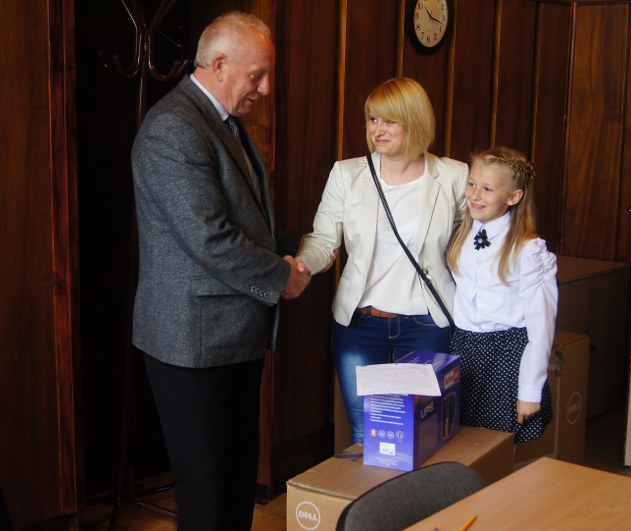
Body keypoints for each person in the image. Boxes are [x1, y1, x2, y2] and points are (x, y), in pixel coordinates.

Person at [130, 11, 310, 530]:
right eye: (257, 75)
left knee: (234, 485)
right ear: (220, 64)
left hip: (230, 339)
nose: (266, 88)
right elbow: (210, 237)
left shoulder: (220, 121)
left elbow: (244, 223)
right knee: (208, 497)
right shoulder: (172, 128)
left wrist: (307, 246)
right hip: (192, 344)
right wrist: (281, 276)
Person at [295, 77, 467, 444]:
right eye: (373, 119)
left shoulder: (453, 176)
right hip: (360, 325)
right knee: (368, 435)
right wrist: (302, 266)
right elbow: (323, 238)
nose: (377, 130)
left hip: (426, 324)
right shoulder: (347, 173)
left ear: (414, 121)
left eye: (389, 121)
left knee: (420, 436)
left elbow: (475, 242)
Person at [446, 146, 557, 444]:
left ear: (514, 196)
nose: (475, 195)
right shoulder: (462, 234)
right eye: (472, 184)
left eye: (487, 189)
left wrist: (530, 390)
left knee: (496, 445)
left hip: (505, 357)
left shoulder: (529, 250)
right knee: (460, 444)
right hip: (463, 350)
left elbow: (541, 324)